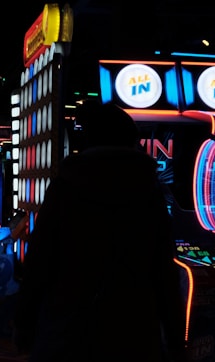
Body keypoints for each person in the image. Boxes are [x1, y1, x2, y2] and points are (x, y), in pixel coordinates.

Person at [13, 101, 187, 362]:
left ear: (86, 139)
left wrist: (25, 324)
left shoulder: (66, 187)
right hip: (135, 329)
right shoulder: (149, 192)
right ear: (131, 139)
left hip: (69, 325)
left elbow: (40, 263)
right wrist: (174, 338)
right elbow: (163, 272)